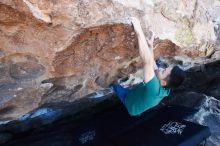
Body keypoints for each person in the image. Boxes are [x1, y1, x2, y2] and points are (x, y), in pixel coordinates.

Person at [112, 17, 185, 116]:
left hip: (131, 105)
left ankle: (113, 84)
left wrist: (138, 29)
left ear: (163, 82)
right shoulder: (168, 84)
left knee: (114, 84)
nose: (161, 68)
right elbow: (152, 63)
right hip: (138, 94)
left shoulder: (154, 88)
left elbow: (147, 61)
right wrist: (150, 46)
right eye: (165, 68)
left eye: (164, 71)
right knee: (156, 64)